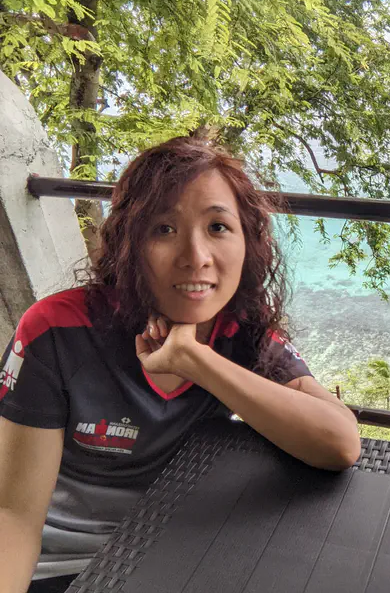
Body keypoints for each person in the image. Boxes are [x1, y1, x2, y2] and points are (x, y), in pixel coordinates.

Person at [0, 137, 362, 593]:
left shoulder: (242, 335)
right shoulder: (57, 331)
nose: (196, 257)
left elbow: (340, 443)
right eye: (163, 229)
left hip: (178, 552)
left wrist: (197, 360)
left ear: (247, 240)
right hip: (60, 562)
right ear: (129, 243)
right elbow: (13, 518)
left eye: (217, 227)